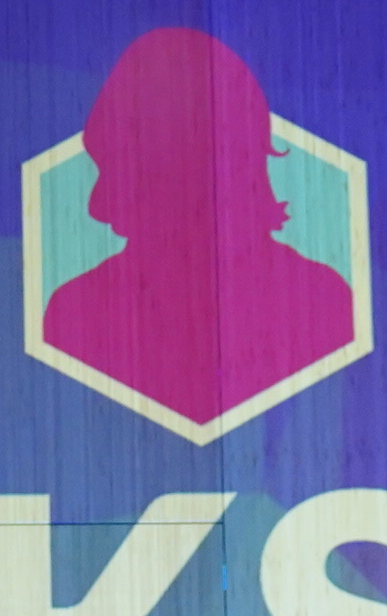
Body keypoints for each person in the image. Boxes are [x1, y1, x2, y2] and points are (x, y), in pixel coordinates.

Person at [40, 25, 360, 426]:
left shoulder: (322, 305)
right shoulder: (76, 314)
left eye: (120, 176)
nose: (96, 208)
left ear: (186, 176)